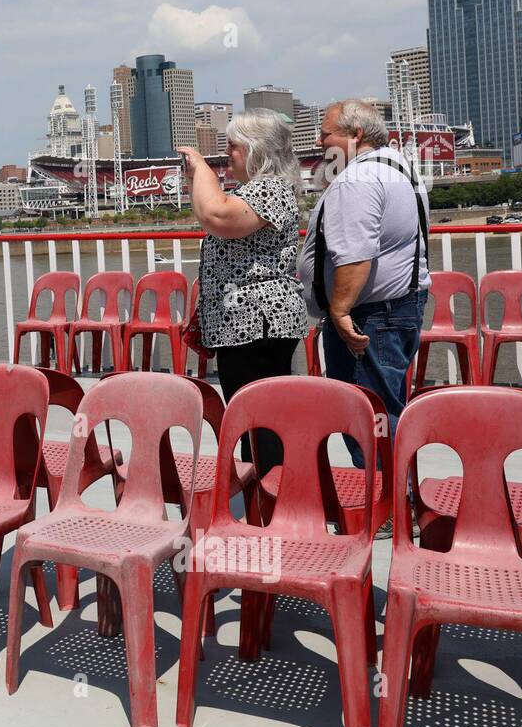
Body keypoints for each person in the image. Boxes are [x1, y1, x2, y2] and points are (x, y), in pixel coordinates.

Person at [297, 97, 431, 468]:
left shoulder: (356, 179)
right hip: (399, 308)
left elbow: (355, 255)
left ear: (355, 135)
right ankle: (397, 505)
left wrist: (339, 311)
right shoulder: (401, 168)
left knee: (367, 416)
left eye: (326, 135)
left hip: (368, 316)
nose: (320, 144)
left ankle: (388, 511)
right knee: (387, 408)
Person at [181, 108, 308, 474]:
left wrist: (201, 169)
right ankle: (267, 495)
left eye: (233, 146)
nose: (227, 155)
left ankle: (273, 499)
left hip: (257, 324)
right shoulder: (258, 190)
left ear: (257, 150)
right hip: (245, 325)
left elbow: (216, 216)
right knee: (253, 418)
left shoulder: (269, 188)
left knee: (260, 418)